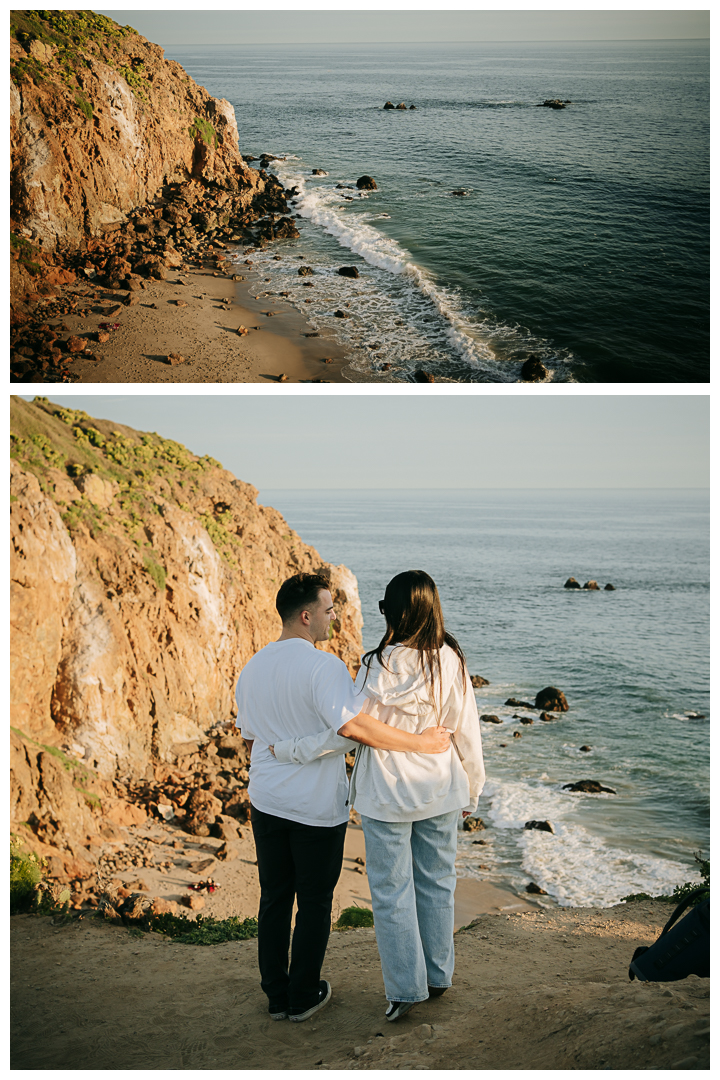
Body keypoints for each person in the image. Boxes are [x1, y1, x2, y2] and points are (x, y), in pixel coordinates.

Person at [234, 572, 451, 1025]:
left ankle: (276, 995)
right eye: (330, 610)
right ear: (307, 615)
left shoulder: (252, 666)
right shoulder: (324, 666)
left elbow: (252, 737)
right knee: (314, 903)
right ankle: (303, 995)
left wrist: (286, 749)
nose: (337, 617)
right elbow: (352, 729)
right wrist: (422, 744)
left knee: (274, 897)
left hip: (266, 800)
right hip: (314, 807)